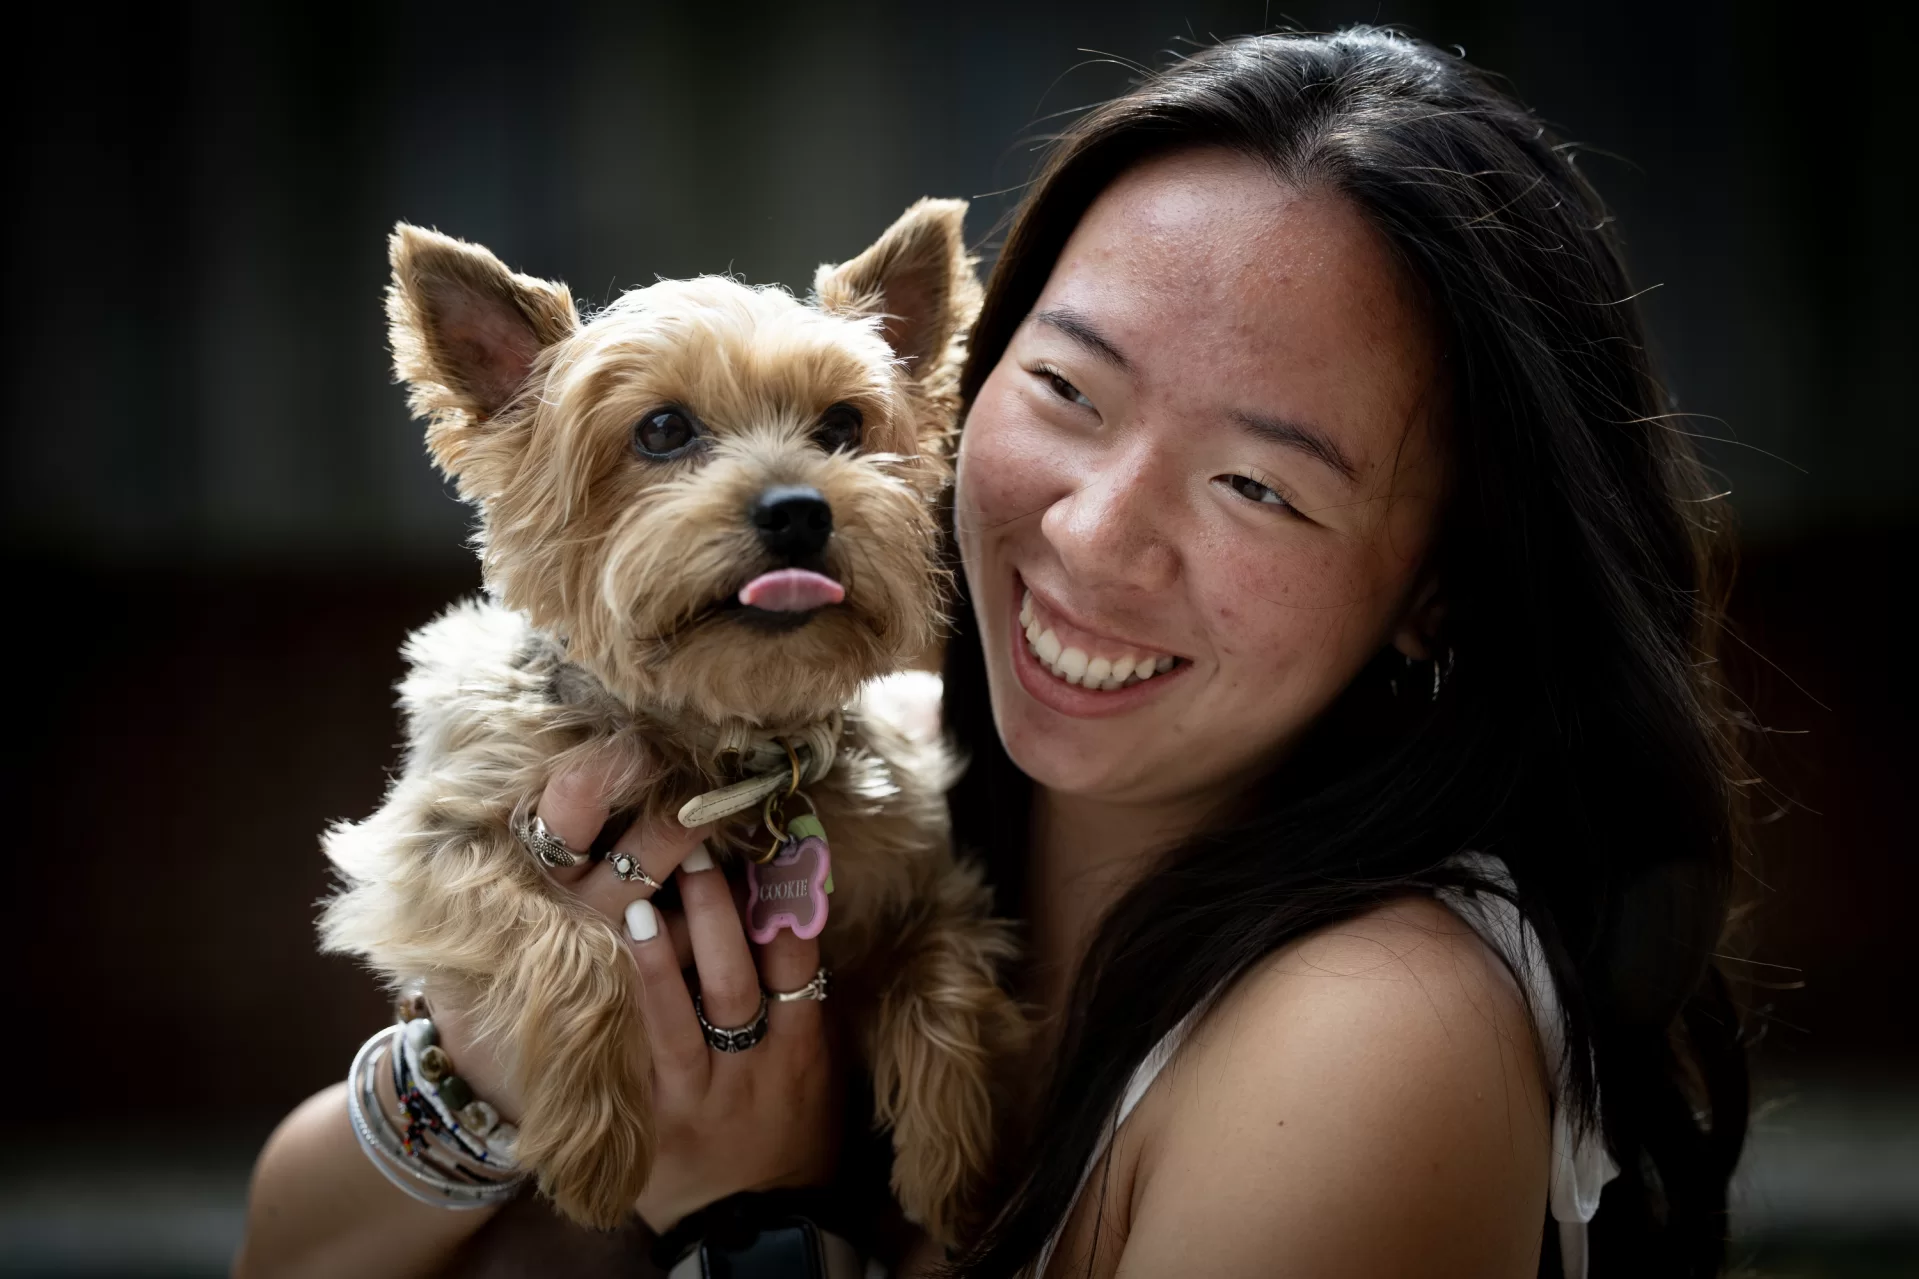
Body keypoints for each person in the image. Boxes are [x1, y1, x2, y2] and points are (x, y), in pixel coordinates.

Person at [237, 27, 1749, 1279]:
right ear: (972, 384)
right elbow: (287, 1246)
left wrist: (746, 1214)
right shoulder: (868, 759)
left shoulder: (1377, 1035)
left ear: (1443, 589)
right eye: (1072, 391)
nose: (1092, 535)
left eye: (1256, 484)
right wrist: (477, 1078)